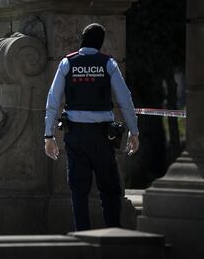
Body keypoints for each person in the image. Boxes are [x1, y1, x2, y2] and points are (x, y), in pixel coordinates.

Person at [44, 23, 140, 231]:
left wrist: (48, 135)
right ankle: (114, 235)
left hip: (75, 135)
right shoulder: (108, 64)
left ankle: (82, 236)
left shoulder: (67, 63)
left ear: (83, 39)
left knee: (78, 191)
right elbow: (125, 99)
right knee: (110, 190)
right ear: (101, 42)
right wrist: (134, 131)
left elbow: (52, 101)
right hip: (103, 136)